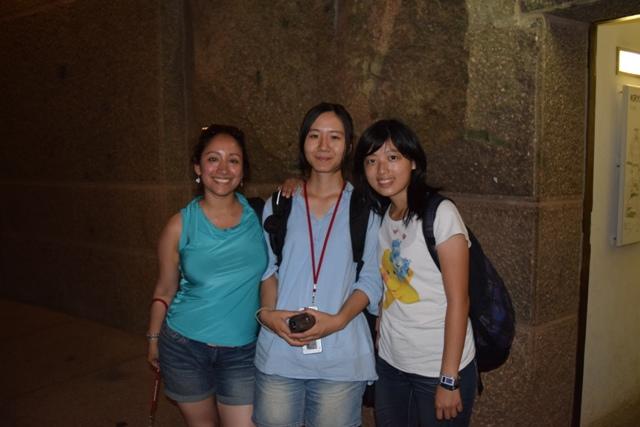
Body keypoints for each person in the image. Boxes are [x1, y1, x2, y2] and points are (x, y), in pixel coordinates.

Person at [253, 102, 383, 427]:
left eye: (334, 137)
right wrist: (268, 315)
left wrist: (337, 320)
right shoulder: (279, 204)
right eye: (315, 136)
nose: (324, 146)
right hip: (280, 351)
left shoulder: (364, 208)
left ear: (349, 146)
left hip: (341, 356)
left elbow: (371, 279)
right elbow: (267, 270)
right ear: (303, 142)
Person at [352, 119, 477, 427]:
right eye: (371, 161)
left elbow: (459, 301)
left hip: (437, 368)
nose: (382, 170)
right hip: (392, 365)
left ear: (413, 162)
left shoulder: (441, 214)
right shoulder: (385, 216)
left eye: (393, 157)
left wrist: (449, 378)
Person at [146, 124, 268, 427]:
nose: (223, 169)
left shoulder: (262, 216)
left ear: (243, 170)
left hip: (242, 351)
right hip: (184, 346)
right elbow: (164, 289)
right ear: (198, 168)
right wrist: (153, 338)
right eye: (213, 159)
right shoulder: (179, 225)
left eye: (233, 160)